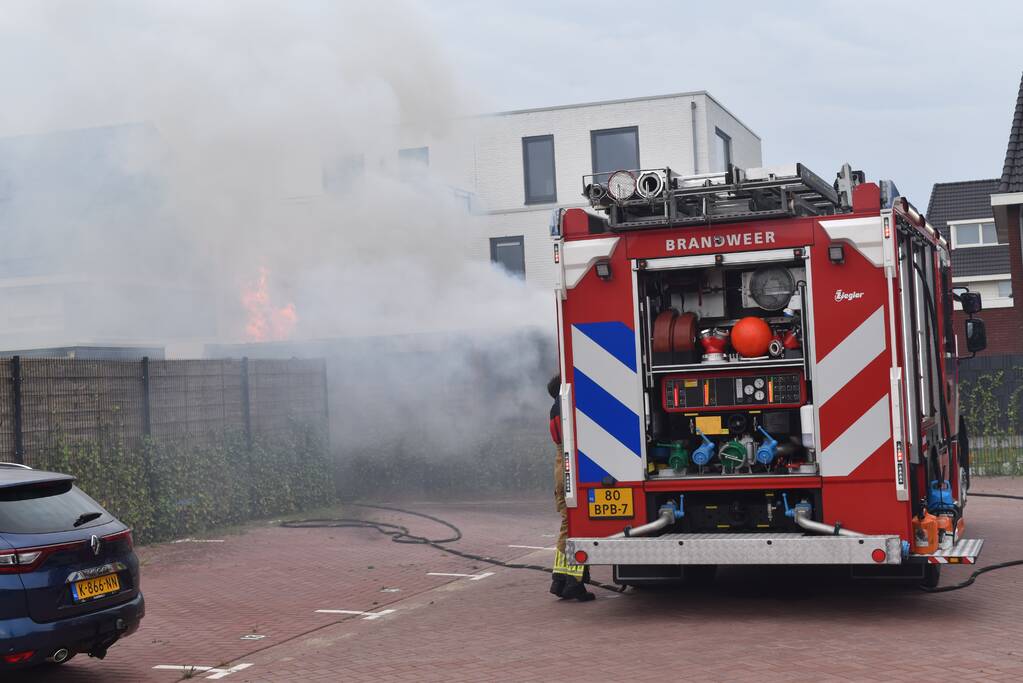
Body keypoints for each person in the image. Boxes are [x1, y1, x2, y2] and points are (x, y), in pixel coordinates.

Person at [547, 374, 594, 602]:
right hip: (569, 468)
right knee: (576, 524)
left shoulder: (555, 408)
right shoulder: (563, 407)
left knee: (567, 524)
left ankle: (561, 579)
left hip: (561, 467)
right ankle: (574, 583)